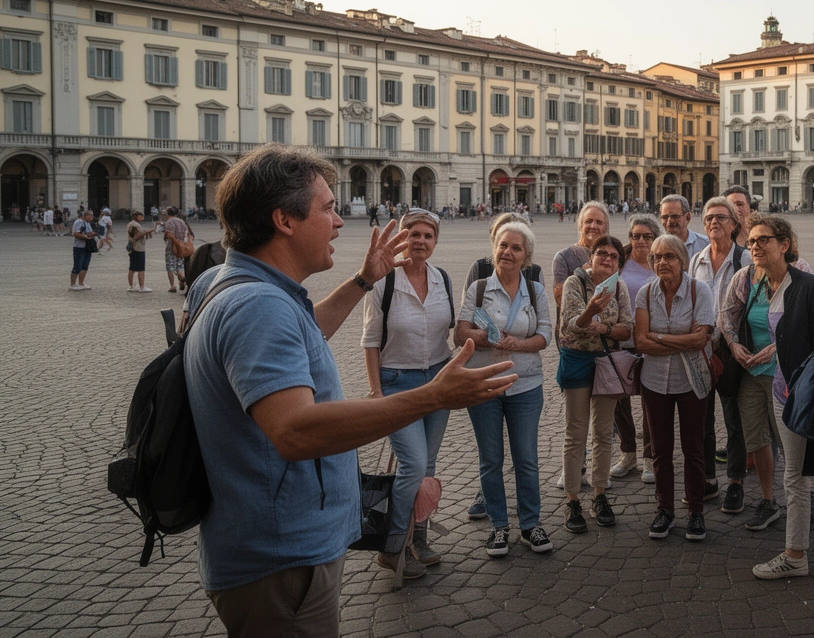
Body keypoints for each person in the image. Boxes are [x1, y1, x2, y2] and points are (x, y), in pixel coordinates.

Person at [184, 145, 515, 635]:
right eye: (328, 208)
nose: (340, 222)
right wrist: (433, 396)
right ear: (284, 220)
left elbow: (303, 330)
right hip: (281, 560)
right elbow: (295, 432)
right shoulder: (259, 306)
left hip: (273, 548)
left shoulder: (230, 282)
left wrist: (363, 280)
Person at [720, 214, 814, 588]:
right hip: (781, 394)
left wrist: (805, 384)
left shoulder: (807, 285)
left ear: (785, 244)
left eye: (765, 240)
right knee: (793, 478)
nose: (757, 247)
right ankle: (795, 555)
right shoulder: (754, 283)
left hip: (808, 396)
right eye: (753, 241)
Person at [359, 208, 457, 581]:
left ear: (435, 241)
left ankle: (419, 537)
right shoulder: (384, 281)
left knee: (426, 466)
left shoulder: (443, 279)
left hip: (437, 381)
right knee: (413, 464)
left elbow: (449, 331)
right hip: (397, 381)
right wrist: (377, 393)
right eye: (413, 234)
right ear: (402, 238)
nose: (420, 241)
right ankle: (392, 546)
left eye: (427, 236)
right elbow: (370, 342)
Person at [455, 222, 554, 557]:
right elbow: (460, 333)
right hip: (483, 383)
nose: (508, 253)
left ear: (526, 257)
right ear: (494, 249)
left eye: (516, 248)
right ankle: (499, 526)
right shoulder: (479, 288)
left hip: (525, 384)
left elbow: (545, 336)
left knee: (526, 458)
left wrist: (519, 344)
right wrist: (485, 337)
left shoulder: (535, 290)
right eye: (503, 246)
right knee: (490, 459)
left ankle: (530, 524)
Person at [634, 234, 715, 541]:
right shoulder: (645, 292)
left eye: (669, 256)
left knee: (694, 448)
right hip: (654, 382)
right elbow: (640, 341)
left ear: (683, 260)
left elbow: (701, 340)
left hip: (691, 380)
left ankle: (696, 511)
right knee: (660, 449)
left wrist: (658, 337)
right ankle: (664, 510)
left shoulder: (699, 290)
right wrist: (679, 342)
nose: (662, 262)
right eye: (656, 257)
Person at [557, 234, 634, 533]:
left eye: (613, 256)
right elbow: (569, 326)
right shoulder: (575, 283)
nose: (607, 259)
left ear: (619, 263)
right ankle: (573, 498)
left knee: (603, 432)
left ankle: (600, 494)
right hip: (577, 361)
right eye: (601, 253)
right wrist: (590, 311)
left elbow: (627, 329)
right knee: (575, 432)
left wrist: (603, 327)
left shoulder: (620, 287)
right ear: (591, 257)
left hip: (606, 362)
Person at [688, 197, 750, 512]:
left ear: (734, 225)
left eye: (721, 217)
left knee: (734, 418)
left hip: (732, 349)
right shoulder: (696, 260)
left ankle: (736, 482)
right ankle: (708, 478)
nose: (714, 222)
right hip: (700, 349)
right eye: (710, 217)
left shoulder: (746, 259)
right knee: (702, 419)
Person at [614, 214, 663, 482]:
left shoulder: (662, 262)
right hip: (621, 341)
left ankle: (648, 457)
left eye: (646, 236)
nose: (640, 241)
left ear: (655, 238)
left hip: (650, 341)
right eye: (635, 236)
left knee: (650, 402)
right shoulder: (619, 261)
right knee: (619, 401)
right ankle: (627, 453)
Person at [553, 201, 610, 316]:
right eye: (588, 221)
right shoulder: (563, 257)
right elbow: (560, 300)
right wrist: (582, 276)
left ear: (605, 228)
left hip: (607, 330)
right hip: (574, 329)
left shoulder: (612, 257)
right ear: (580, 226)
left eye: (599, 222)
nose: (593, 226)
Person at [659, 194, 709, 259]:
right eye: (665, 217)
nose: (670, 221)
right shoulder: (654, 246)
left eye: (675, 217)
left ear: (688, 217)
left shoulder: (706, 245)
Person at [162, 207, 192, 293]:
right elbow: (187, 233)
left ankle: (172, 286)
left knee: (170, 266)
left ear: (168, 214)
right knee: (180, 266)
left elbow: (169, 234)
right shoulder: (181, 221)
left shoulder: (169, 222)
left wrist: (167, 237)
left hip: (172, 246)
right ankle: (182, 280)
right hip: (181, 246)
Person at [69, 209, 97, 290]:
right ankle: (72, 284)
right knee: (77, 265)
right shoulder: (79, 222)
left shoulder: (88, 223)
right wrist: (86, 237)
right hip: (79, 247)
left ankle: (81, 283)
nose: (91, 218)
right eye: (90, 216)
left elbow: (89, 232)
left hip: (87, 247)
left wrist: (92, 234)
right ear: (86, 215)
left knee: (85, 266)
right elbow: (76, 233)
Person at [126, 210, 154, 292]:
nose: (142, 218)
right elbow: (137, 236)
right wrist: (148, 231)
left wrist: (145, 232)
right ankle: (142, 287)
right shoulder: (136, 225)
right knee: (141, 269)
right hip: (138, 248)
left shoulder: (130, 224)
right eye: (140, 216)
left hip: (133, 248)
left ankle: (131, 286)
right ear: (135, 217)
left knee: (132, 268)